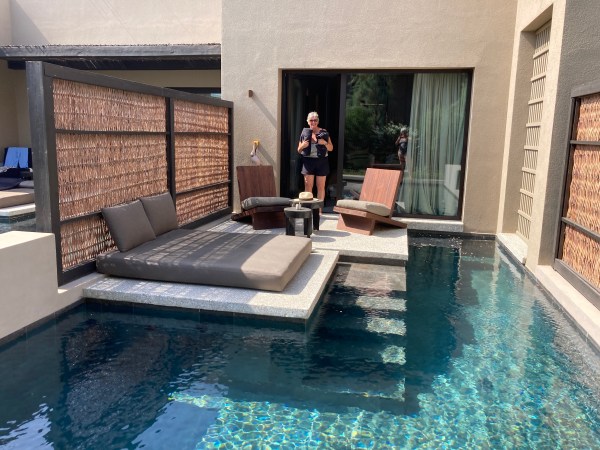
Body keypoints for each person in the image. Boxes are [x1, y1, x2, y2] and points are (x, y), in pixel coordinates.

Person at [297, 111, 334, 202]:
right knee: (308, 187)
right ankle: (308, 208)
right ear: (307, 121)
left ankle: (319, 209)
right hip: (308, 162)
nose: (313, 122)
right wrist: (303, 146)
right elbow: (299, 150)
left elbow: (331, 148)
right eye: (311, 120)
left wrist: (324, 143)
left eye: (315, 120)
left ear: (318, 121)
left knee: (320, 187)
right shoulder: (305, 133)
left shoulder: (324, 133)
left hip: (322, 161)